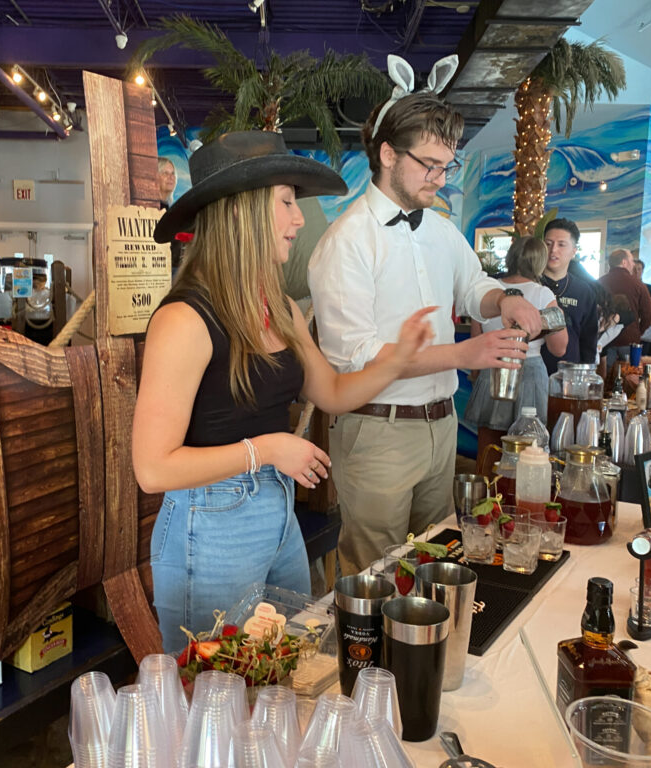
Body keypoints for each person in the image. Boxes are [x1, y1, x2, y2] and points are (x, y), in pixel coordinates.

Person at [133, 130, 436, 651]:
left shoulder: (281, 306)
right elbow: (153, 467)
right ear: (240, 211)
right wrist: (269, 449)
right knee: (215, 698)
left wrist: (399, 361)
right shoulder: (184, 319)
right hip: (208, 528)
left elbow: (335, 392)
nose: (299, 219)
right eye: (287, 201)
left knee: (289, 667)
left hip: (276, 508)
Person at [309, 69, 539, 577]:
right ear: (388, 154)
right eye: (430, 166)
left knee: (433, 563)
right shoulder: (346, 243)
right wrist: (460, 354)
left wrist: (506, 300)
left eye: (446, 167)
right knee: (375, 576)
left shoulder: (439, 229)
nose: (440, 178)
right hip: (376, 430)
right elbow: (357, 357)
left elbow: (474, 286)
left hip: (441, 426)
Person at [463, 236, 568, 475]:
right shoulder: (543, 294)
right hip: (529, 371)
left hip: (492, 368)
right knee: (528, 453)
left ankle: (485, 504)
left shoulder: (490, 290)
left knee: (488, 451)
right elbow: (559, 348)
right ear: (540, 262)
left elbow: (476, 341)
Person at [540, 218, 600, 374]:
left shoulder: (584, 292)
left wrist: (586, 374)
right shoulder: (530, 285)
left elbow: (589, 342)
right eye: (548, 243)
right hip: (530, 375)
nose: (553, 250)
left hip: (568, 377)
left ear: (574, 251)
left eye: (561, 244)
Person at [599, 248, 651, 370]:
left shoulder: (599, 282)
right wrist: (638, 332)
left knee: (603, 377)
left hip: (604, 341)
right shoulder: (638, 284)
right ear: (624, 262)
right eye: (632, 261)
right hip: (629, 340)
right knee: (629, 377)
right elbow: (648, 314)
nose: (634, 264)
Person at [632, 256, 651, 353]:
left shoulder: (649, 288)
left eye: (639, 269)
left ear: (643, 271)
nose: (637, 271)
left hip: (646, 327)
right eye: (634, 269)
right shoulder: (627, 288)